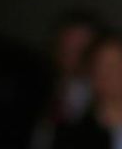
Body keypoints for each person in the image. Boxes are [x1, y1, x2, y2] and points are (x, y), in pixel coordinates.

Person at [31, 10, 106, 149]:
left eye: (84, 49)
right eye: (68, 47)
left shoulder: (104, 102)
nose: (75, 57)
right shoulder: (35, 87)